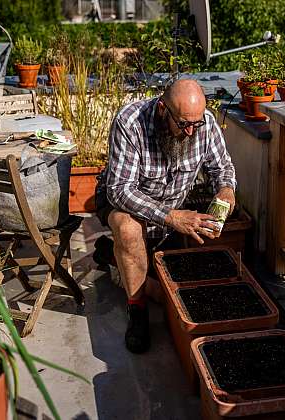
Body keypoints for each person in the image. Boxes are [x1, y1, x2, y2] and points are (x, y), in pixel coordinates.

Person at [94, 79, 237, 353]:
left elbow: (223, 168)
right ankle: (136, 311)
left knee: (172, 294)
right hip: (127, 204)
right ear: (163, 109)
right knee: (126, 228)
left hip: (171, 207)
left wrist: (227, 190)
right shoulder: (130, 122)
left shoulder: (202, 123)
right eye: (184, 125)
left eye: (197, 124)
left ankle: (111, 256)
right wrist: (171, 217)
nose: (191, 131)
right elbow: (120, 191)